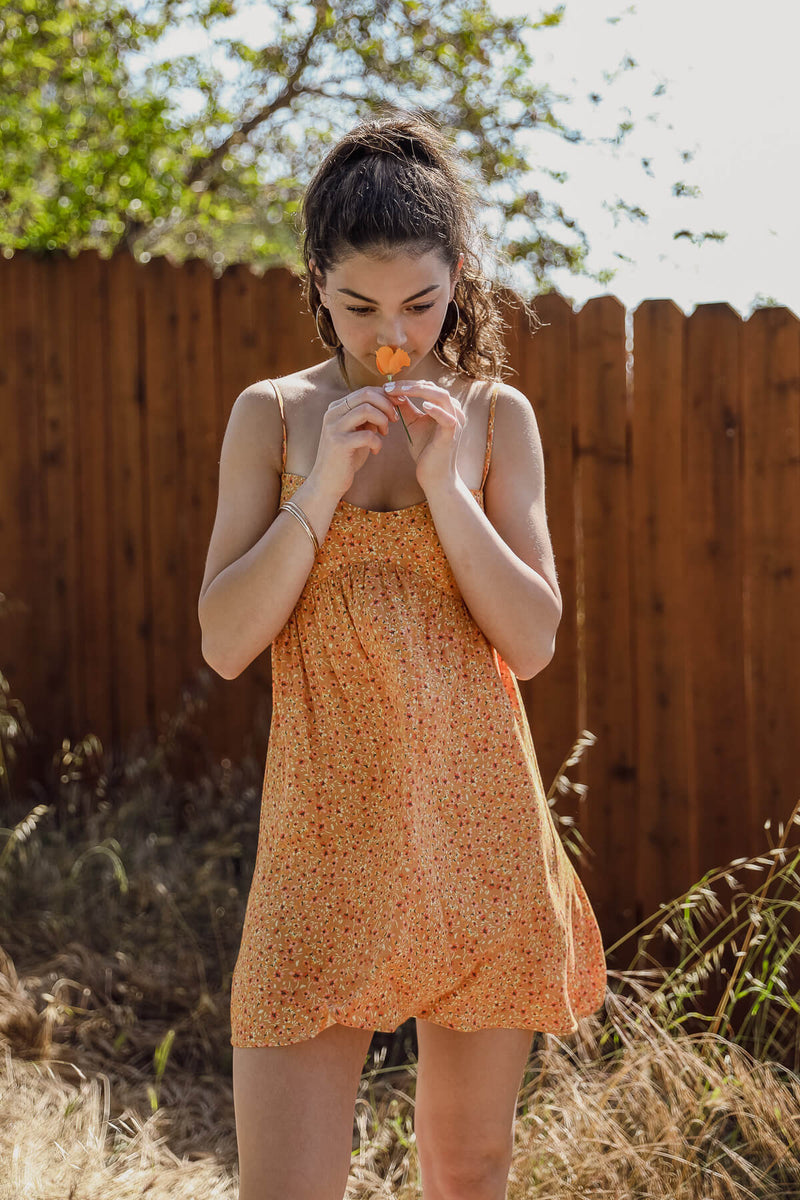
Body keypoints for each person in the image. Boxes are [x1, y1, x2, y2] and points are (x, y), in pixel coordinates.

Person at [198, 109, 606, 1200]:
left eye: (422, 303)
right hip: (320, 848)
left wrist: (441, 486)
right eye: (359, 304)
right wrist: (321, 490)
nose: (393, 332)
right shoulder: (272, 417)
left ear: (459, 277)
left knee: (466, 1171)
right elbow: (226, 641)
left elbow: (530, 641)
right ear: (316, 282)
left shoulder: (494, 416)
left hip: (478, 838)